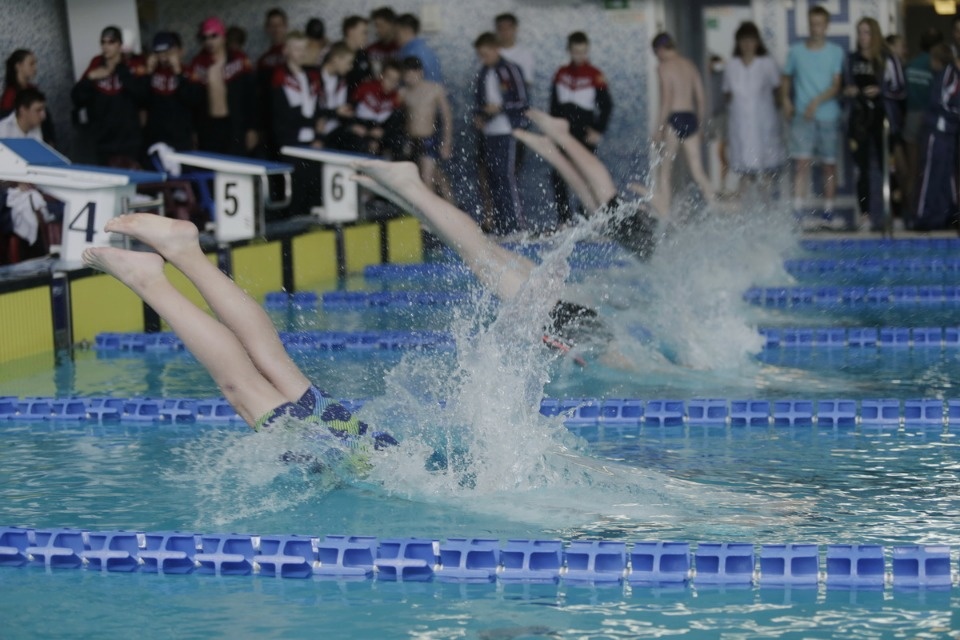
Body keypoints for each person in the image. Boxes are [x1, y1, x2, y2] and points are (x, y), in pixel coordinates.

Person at [350, 113, 661, 368]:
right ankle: (408, 187)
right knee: (479, 256)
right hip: (566, 322)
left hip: (576, 316)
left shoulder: (644, 349)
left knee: (482, 250)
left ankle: (403, 191)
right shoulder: (634, 364)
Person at [81, 214, 398, 453]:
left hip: (385, 455)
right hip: (375, 468)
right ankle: (148, 280)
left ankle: (185, 252)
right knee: (244, 388)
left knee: (272, 365)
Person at [781, 5, 845, 230]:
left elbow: (837, 85)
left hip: (827, 115)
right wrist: (786, 101)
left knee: (829, 165)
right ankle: (798, 211)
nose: (816, 28)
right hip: (802, 116)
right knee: (801, 163)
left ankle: (828, 211)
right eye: (812, 24)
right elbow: (786, 78)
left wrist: (816, 102)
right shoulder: (796, 51)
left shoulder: (835, 52)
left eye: (820, 24)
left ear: (826, 26)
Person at [843, 17, 905, 232]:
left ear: (875, 34)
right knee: (862, 169)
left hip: (883, 118)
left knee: (890, 166)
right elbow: (844, 86)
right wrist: (849, 92)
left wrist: (881, 91)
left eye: (867, 32)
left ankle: (896, 213)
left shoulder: (887, 58)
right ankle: (865, 216)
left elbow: (900, 89)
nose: (863, 37)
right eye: (860, 32)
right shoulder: (852, 59)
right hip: (859, 119)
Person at [549, 31, 613, 225]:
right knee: (558, 174)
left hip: (585, 131)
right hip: (563, 130)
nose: (580, 56)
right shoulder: (561, 74)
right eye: (576, 52)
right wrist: (552, 129)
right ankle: (564, 217)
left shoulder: (595, 75)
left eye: (584, 52)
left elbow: (607, 105)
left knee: (586, 173)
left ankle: (588, 214)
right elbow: (553, 105)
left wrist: (598, 130)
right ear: (569, 51)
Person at [650, 32, 715, 216]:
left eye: (656, 53)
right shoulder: (690, 65)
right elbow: (701, 99)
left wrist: (660, 128)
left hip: (674, 119)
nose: (657, 57)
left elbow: (667, 100)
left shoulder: (663, 67)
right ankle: (714, 205)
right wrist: (701, 126)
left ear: (660, 50)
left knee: (665, 170)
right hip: (690, 118)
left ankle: (665, 212)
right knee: (698, 171)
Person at [473, 32, 529, 235]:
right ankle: (501, 224)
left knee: (506, 176)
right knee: (492, 177)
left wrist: (500, 107)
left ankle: (516, 226)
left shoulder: (511, 69)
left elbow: (522, 101)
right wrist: (479, 115)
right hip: (489, 131)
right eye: (481, 55)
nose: (483, 58)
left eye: (486, 54)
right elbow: (481, 102)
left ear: (496, 49)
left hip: (508, 129)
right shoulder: (484, 72)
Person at [722, 21, 784, 196]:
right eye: (743, 41)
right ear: (738, 43)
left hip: (763, 121)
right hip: (739, 122)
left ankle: (767, 211)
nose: (747, 45)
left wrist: (777, 111)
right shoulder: (732, 65)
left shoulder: (766, 63)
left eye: (751, 40)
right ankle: (744, 213)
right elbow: (726, 92)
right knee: (742, 168)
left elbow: (777, 89)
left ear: (757, 42)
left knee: (765, 170)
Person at [71, 26, 147, 168]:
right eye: (103, 42)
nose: (106, 46)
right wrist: (90, 78)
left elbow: (143, 96)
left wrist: (120, 71)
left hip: (129, 140)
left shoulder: (131, 64)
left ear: (119, 45)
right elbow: (77, 99)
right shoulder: (96, 64)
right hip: (103, 139)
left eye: (111, 42)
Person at [190, 16, 259, 156]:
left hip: (234, 125)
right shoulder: (198, 64)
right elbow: (193, 103)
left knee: (237, 165)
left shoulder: (239, 61)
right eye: (205, 38)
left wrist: (252, 128)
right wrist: (193, 130)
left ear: (223, 37)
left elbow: (251, 97)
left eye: (214, 36)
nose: (209, 41)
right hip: (208, 127)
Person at [914, 44, 960, 231]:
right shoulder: (949, 74)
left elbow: (943, 100)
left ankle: (930, 214)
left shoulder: (948, 74)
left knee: (938, 172)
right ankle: (939, 213)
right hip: (944, 129)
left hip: (941, 130)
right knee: (941, 172)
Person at [903, 28, 943, 227]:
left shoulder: (910, 65)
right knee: (933, 170)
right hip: (932, 120)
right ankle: (930, 212)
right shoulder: (938, 66)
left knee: (913, 170)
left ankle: (911, 213)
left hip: (911, 117)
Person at [400, 56, 453, 197]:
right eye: (406, 75)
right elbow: (401, 120)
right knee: (435, 175)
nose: (409, 78)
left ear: (420, 72)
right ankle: (450, 205)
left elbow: (447, 117)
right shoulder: (403, 93)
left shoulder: (435, 89)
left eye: (412, 74)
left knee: (427, 179)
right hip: (412, 140)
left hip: (429, 139)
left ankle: (431, 216)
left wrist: (446, 142)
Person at [143, 32, 200, 154]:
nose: (163, 58)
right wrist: (148, 73)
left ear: (178, 51)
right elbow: (142, 99)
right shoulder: (151, 72)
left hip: (181, 138)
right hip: (156, 137)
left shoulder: (188, 72)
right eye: (159, 53)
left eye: (167, 52)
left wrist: (178, 73)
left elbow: (193, 100)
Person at [1, 49, 55, 145]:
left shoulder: (33, 89)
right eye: (31, 64)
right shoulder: (10, 95)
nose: (35, 68)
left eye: (35, 63)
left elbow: (45, 119)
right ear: (18, 66)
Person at [351, 59, 403, 156]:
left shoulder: (396, 98)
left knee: (397, 142)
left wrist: (384, 132)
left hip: (380, 130)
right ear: (381, 75)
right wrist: (352, 125)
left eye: (395, 80)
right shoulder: (365, 88)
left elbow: (395, 122)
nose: (391, 83)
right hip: (359, 127)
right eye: (389, 78)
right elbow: (349, 109)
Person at [318, 41, 362, 152]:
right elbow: (313, 111)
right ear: (336, 59)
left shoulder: (341, 81)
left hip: (334, 131)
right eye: (348, 63)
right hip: (316, 131)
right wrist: (336, 112)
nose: (350, 67)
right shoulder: (315, 78)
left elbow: (341, 109)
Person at [396, 13, 443, 84]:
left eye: (397, 32)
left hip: (421, 93)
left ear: (407, 30)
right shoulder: (426, 48)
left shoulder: (411, 53)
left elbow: (409, 82)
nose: (395, 36)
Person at [495, 13, 534, 91]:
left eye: (508, 28)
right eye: (501, 28)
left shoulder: (525, 54)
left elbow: (527, 82)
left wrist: (506, 87)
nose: (504, 31)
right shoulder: (491, 53)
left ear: (515, 29)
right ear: (496, 30)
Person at [343, 15, 373, 94]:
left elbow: (368, 79)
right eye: (364, 33)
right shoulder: (335, 54)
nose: (366, 37)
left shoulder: (364, 55)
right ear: (350, 32)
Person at [366, 7, 400, 76]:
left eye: (380, 25)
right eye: (376, 26)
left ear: (391, 24)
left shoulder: (401, 47)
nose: (377, 30)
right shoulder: (371, 49)